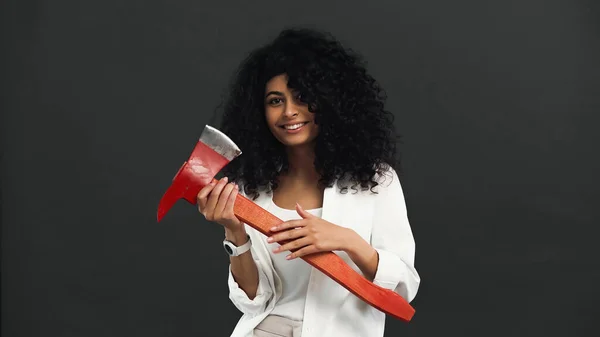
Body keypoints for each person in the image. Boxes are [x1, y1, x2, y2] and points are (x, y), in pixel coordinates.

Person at [196, 28, 420, 337]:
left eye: (303, 97)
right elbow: (253, 301)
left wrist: (346, 240)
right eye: (276, 100)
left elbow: (404, 288)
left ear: (330, 100)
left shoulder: (376, 182)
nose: (289, 111)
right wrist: (234, 232)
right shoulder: (252, 189)